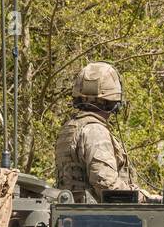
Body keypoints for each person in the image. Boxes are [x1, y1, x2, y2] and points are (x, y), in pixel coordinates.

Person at [54, 61, 150, 201]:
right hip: (97, 218)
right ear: (114, 101)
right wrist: (144, 197)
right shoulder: (95, 131)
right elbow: (108, 187)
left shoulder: (70, 128)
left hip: (76, 215)